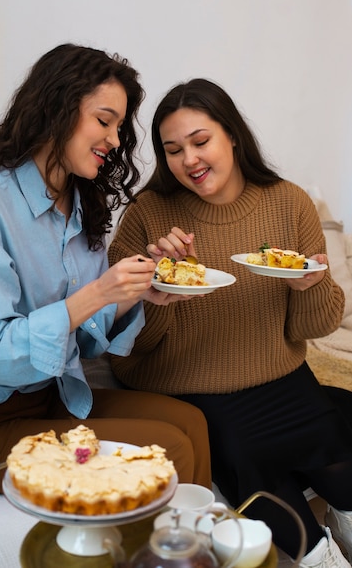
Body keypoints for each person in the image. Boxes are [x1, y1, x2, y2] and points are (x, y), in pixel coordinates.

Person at [0, 46, 212, 494]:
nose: (116, 140)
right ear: (55, 109)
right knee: (170, 450)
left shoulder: (82, 209)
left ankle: (188, 559)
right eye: (104, 121)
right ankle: (165, 562)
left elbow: (82, 343)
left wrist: (133, 293)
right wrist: (99, 292)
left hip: (51, 403)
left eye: (119, 127)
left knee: (191, 422)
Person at [108, 78, 352, 566]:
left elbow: (316, 326)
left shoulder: (289, 203)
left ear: (232, 135)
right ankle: (318, 556)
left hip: (277, 373)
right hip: (185, 384)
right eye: (173, 150)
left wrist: (310, 286)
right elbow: (122, 343)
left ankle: (344, 517)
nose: (189, 160)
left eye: (201, 142)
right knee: (245, 454)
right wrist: (160, 294)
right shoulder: (149, 215)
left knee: (332, 430)